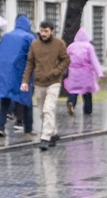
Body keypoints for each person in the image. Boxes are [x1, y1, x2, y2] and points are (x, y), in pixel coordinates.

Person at [20, 21, 70, 151]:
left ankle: (45, 138)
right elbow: (30, 63)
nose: (43, 33)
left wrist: (56, 72)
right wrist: (25, 81)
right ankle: (53, 133)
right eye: (42, 31)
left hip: (54, 82)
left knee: (48, 109)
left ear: (52, 31)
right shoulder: (35, 44)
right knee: (42, 112)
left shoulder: (59, 44)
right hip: (39, 82)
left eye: (46, 31)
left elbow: (66, 60)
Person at [0, 16, 36, 137]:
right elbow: (33, 57)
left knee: (5, 101)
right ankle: (28, 129)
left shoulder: (6, 36)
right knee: (27, 101)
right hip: (21, 74)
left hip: (5, 74)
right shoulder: (29, 37)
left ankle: (0, 127)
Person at [64, 28, 104, 115]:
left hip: (73, 73)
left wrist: (64, 72)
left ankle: (71, 102)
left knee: (73, 91)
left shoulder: (71, 47)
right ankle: (88, 110)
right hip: (86, 73)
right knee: (87, 92)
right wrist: (99, 73)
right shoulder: (89, 47)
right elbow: (94, 61)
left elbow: (65, 60)